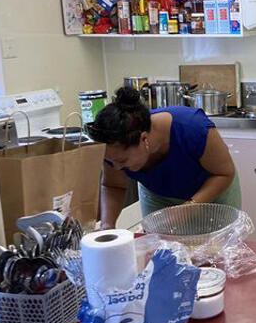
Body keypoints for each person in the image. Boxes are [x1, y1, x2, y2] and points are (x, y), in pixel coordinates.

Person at [88, 86, 241, 228]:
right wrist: (107, 226)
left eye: (123, 161)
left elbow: (224, 173)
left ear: (144, 139)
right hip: (157, 194)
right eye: (110, 162)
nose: (117, 168)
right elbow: (113, 186)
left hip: (212, 190)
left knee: (216, 250)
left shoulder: (193, 128)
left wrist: (190, 206)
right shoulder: (112, 147)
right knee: (160, 248)